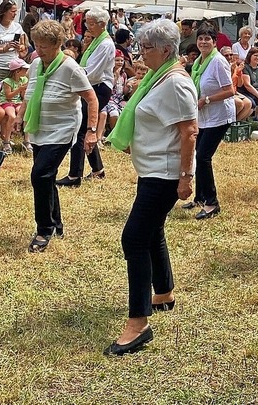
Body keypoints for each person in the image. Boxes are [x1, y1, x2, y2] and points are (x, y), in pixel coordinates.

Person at [105, 18, 197, 356]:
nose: (141, 52)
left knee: (134, 238)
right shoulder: (158, 78)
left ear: (166, 50)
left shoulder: (175, 83)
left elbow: (189, 131)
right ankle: (164, 292)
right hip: (152, 170)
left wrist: (186, 178)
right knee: (153, 231)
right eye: (140, 46)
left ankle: (138, 322)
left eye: (147, 47)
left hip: (166, 174)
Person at [19, 20, 98, 253]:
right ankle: (56, 224)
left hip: (62, 129)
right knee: (47, 176)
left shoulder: (70, 68)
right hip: (39, 127)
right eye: (36, 44)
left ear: (57, 45)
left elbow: (91, 99)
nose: (38, 49)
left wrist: (92, 131)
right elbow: (30, 93)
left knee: (40, 175)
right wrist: (20, 115)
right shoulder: (35, 65)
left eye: (43, 46)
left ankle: (43, 229)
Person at [181, 22, 235, 219]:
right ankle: (200, 197)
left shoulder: (218, 61)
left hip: (219, 116)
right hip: (203, 116)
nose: (203, 42)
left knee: (203, 156)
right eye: (201, 38)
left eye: (207, 39)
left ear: (214, 42)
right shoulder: (198, 62)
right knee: (198, 155)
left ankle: (212, 202)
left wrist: (208, 99)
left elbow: (231, 91)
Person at [57, 7, 114, 186]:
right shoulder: (97, 40)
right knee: (84, 128)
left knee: (80, 130)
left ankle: (75, 176)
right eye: (86, 23)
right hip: (91, 85)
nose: (87, 27)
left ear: (102, 24)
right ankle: (98, 170)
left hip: (98, 87)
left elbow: (94, 73)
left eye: (90, 24)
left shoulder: (105, 44)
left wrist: (71, 76)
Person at [0, 58, 31, 153]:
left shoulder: (24, 79)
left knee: (26, 113)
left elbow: (23, 96)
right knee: (12, 116)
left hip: (17, 102)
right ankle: (6, 141)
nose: (26, 71)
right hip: (6, 102)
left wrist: (25, 91)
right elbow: (8, 96)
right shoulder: (7, 81)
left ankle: (27, 140)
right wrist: (19, 89)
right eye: (24, 69)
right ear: (17, 71)